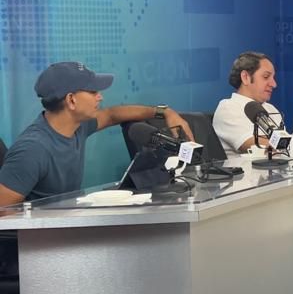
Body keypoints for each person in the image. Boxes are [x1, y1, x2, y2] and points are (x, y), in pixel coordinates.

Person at [0, 62, 194, 204]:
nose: (100, 97)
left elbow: (111, 115)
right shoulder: (33, 149)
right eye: (93, 91)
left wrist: (164, 112)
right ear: (71, 100)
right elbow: (3, 212)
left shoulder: (77, 127)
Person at [213, 51, 284, 159]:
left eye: (273, 78)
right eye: (266, 77)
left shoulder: (271, 109)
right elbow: (258, 146)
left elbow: (284, 147)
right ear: (245, 77)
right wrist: (287, 143)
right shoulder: (228, 108)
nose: (274, 84)